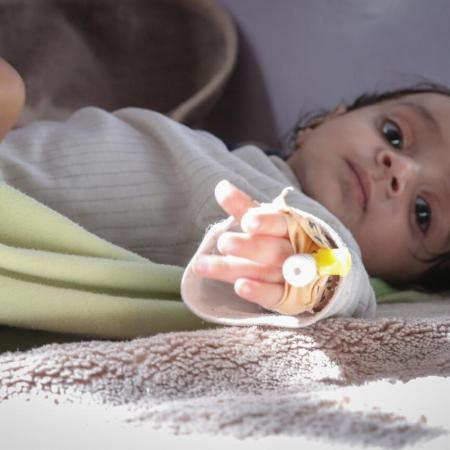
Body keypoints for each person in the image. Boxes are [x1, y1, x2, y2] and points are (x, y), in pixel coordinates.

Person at [0, 55, 449, 328]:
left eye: (423, 213)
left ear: (406, 279)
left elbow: (342, 281)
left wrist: (305, 273)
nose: (400, 170)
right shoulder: (239, 159)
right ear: (322, 123)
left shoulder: (302, 228)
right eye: (394, 135)